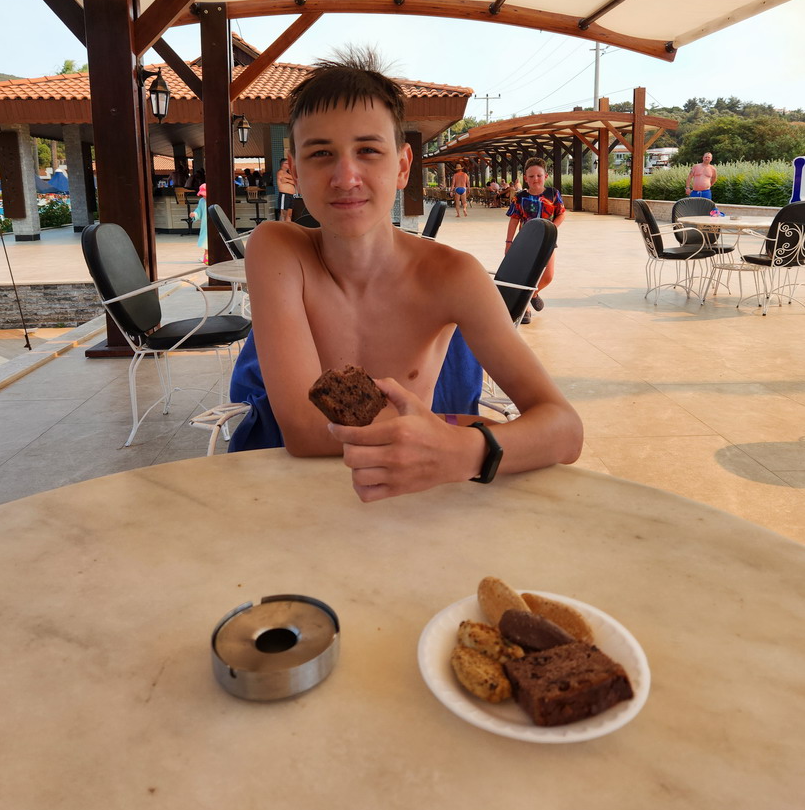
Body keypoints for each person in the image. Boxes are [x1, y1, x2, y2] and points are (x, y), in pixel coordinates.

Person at [236, 49, 582, 502]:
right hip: (302, 500)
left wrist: (464, 450)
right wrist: (451, 433)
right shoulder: (278, 250)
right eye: (321, 153)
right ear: (294, 171)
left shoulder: (452, 275)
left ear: (402, 166)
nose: (346, 176)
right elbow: (303, 430)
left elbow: (565, 429)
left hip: (412, 502)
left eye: (368, 150)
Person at [504, 158, 565, 321]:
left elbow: (561, 214)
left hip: (547, 240)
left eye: (539, 175)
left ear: (546, 176)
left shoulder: (553, 194)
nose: (535, 179)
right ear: (525, 178)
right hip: (526, 241)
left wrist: (551, 229)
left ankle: (533, 294)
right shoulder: (520, 197)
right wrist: (509, 243)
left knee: (548, 276)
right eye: (531, 176)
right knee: (526, 275)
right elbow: (514, 219)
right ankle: (525, 308)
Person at [189, 182, 208, 264]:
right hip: (205, 224)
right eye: (202, 195)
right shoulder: (202, 201)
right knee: (205, 240)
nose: (204, 196)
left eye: (205, 194)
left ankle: (208, 256)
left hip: (213, 223)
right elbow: (199, 210)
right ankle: (206, 255)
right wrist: (195, 214)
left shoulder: (214, 200)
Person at [276, 157, 297, 222]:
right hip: (284, 195)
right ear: (282, 164)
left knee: (289, 214)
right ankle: (281, 227)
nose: (289, 164)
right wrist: (292, 180)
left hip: (292, 195)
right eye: (287, 163)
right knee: (283, 214)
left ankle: (288, 227)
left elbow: (296, 181)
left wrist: (288, 180)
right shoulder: (280, 172)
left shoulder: (289, 173)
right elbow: (286, 179)